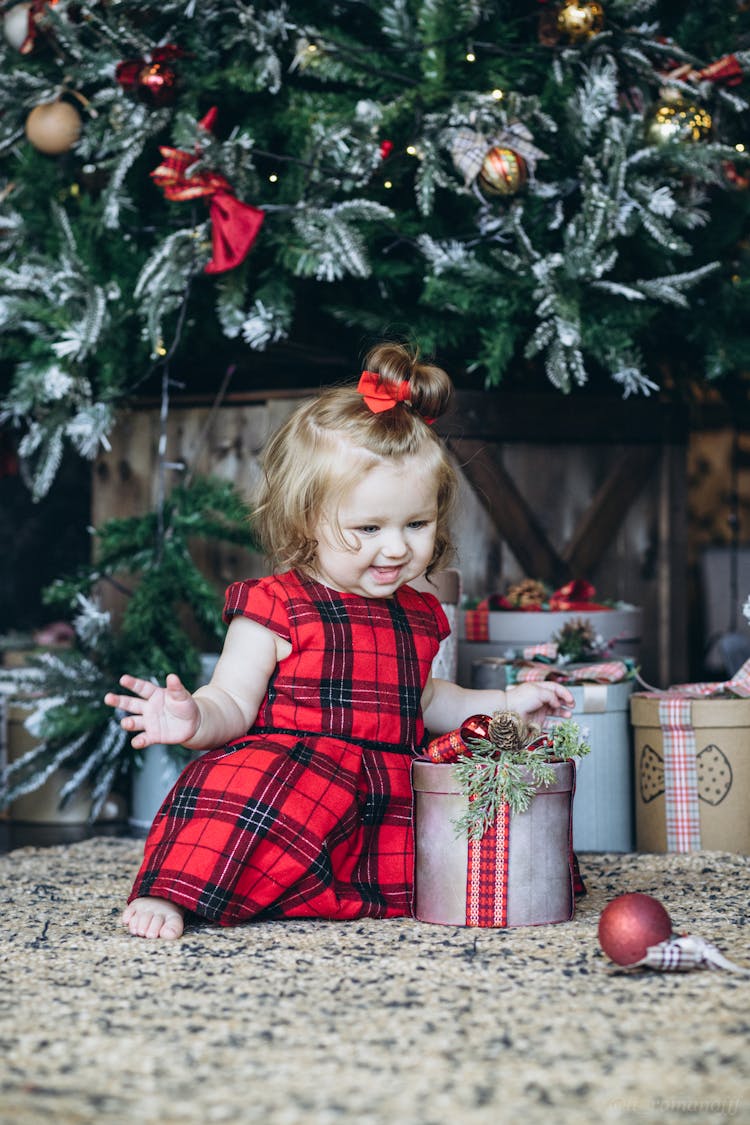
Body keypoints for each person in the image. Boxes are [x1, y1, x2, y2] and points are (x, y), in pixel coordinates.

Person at [105, 342, 573, 939]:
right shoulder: (275, 605)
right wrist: (193, 717)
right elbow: (231, 704)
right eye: (368, 528)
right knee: (232, 794)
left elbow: (426, 703)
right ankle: (175, 895)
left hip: (385, 786)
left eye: (417, 524)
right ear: (307, 520)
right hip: (294, 776)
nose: (398, 548)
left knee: (464, 805)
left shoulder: (418, 613)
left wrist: (506, 704)